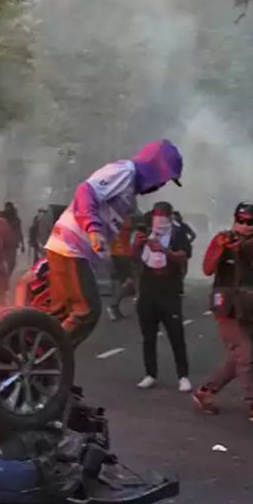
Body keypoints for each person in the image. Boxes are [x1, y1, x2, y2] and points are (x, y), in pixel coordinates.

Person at [44, 139, 184, 348]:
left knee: (63, 312)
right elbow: (86, 192)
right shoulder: (124, 172)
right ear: (154, 168)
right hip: (71, 246)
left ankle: (51, 372)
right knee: (86, 311)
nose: (160, 186)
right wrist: (93, 230)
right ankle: (48, 356)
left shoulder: (129, 195)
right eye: (163, 179)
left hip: (73, 250)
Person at [192, 202, 253, 424]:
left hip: (252, 306)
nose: (243, 225)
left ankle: (205, 391)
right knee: (245, 354)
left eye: (249, 222)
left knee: (239, 359)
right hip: (227, 307)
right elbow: (207, 268)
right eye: (240, 220)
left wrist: (243, 247)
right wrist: (221, 248)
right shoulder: (222, 238)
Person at [132, 202, 192, 391]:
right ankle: (150, 373)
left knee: (176, 334)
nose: (160, 221)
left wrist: (163, 250)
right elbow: (134, 257)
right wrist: (138, 244)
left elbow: (183, 256)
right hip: (148, 288)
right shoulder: (146, 231)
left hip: (170, 290)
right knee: (148, 335)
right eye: (157, 217)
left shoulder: (178, 233)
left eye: (163, 217)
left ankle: (183, 376)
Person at [106, 216, 137, 322]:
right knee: (130, 282)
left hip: (117, 254)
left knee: (121, 282)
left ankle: (115, 308)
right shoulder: (123, 219)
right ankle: (113, 306)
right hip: (122, 255)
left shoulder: (111, 217)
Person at [2, 202, 25, 272]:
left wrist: (22, 243)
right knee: (9, 262)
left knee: (10, 263)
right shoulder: (3, 218)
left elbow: (19, 232)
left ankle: (7, 275)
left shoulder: (14, 219)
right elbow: (19, 232)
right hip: (7, 243)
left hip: (9, 243)